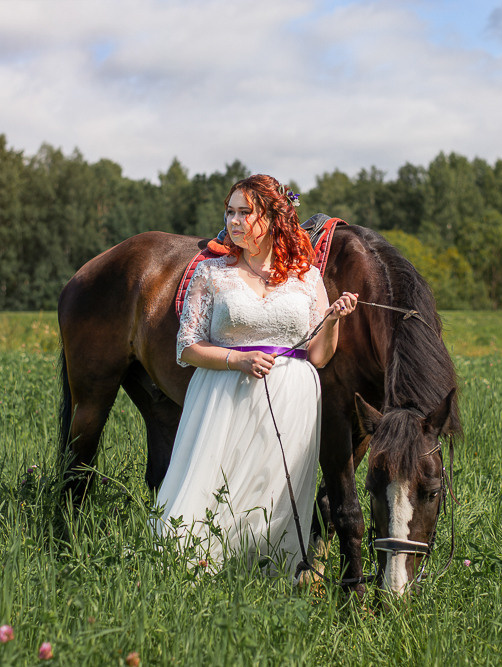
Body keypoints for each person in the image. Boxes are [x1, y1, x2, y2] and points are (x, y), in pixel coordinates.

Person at [153, 174, 358, 574]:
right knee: (216, 485)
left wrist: (332, 321)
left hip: (292, 400)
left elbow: (317, 356)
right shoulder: (212, 273)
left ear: (274, 218)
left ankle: (268, 574)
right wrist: (237, 361)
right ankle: (198, 569)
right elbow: (187, 347)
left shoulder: (307, 278)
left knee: (273, 490)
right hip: (224, 395)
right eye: (230, 212)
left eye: (245, 212)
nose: (234, 221)